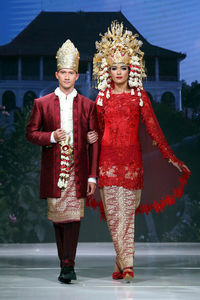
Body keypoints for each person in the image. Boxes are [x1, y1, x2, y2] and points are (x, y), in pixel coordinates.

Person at [88, 21, 191, 282]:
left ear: (131, 68)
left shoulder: (140, 96)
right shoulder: (102, 98)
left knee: (126, 215)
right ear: (107, 69)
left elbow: (155, 130)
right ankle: (125, 262)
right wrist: (90, 137)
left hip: (133, 163)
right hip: (107, 162)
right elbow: (95, 131)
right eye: (114, 67)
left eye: (123, 67)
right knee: (113, 213)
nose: (119, 72)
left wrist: (171, 157)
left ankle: (124, 262)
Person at [26, 39, 99, 284]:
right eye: (63, 73)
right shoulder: (42, 103)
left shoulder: (88, 106)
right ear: (57, 74)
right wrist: (51, 137)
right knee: (59, 220)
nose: (67, 77)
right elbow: (31, 133)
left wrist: (92, 176)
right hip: (55, 168)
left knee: (73, 219)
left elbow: (94, 140)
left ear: (77, 76)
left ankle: (68, 266)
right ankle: (64, 263)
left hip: (78, 169)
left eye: (71, 73)